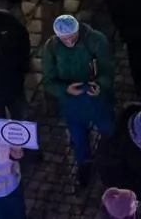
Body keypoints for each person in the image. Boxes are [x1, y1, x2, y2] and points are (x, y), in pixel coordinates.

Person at [42, 14, 115, 188]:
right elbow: (48, 80)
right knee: (78, 138)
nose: (68, 40)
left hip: (97, 98)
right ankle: (85, 165)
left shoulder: (96, 40)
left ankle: (112, 160)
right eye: (64, 38)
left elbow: (107, 69)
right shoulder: (51, 48)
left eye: (71, 36)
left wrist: (100, 84)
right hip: (72, 102)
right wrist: (64, 89)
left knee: (109, 130)